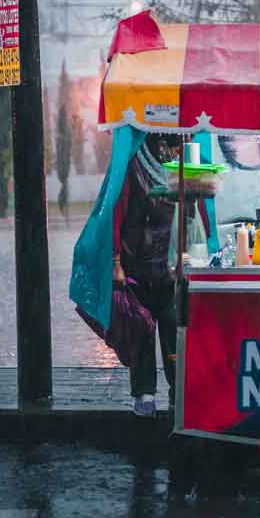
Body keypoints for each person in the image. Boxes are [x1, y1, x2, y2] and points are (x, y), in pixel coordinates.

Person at [113, 133, 180, 417]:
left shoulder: (184, 171)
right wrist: (116, 261)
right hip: (137, 264)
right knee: (141, 329)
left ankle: (179, 394)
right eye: (172, 147)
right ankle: (144, 393)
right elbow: (115, 213)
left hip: (170, 265)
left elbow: (192, 215)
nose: (175, 153)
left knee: (174, 330)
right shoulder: (131, 166)